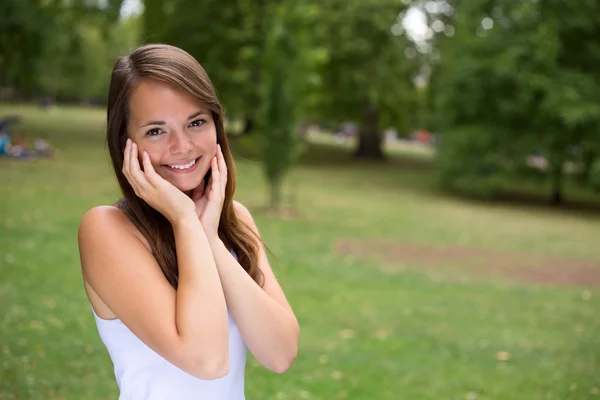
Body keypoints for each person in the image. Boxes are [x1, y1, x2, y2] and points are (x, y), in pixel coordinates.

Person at [77, 44, 299, 400]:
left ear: (216, 125)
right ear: (126, 143)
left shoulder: (234, 220)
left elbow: (280, 354)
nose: (182, 146)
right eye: (156, 131)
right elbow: (207, 360)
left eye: (196, 122)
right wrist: (184, 220)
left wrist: (210, 236)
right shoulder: (107, 228)